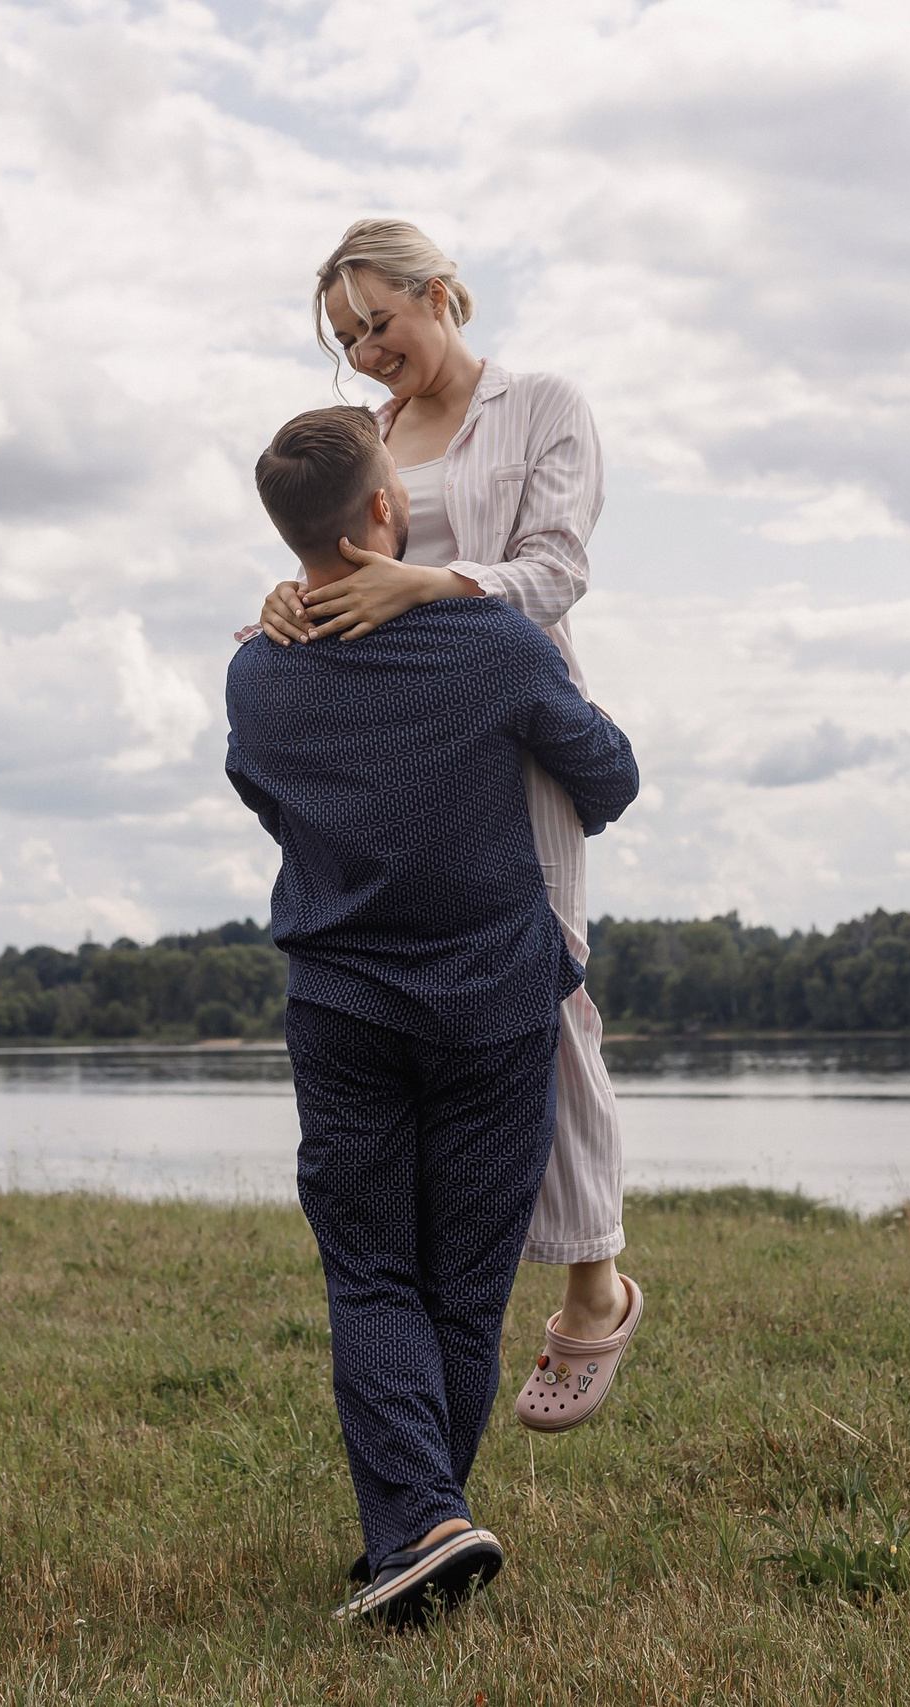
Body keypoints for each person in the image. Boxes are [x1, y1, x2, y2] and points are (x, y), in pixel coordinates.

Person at [226, 406, 640, 1624]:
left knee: (370, 1274)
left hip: (343, 1006)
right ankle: (424, 1521)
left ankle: (421, 1527)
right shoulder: (492, 646)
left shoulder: (258, 667)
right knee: (460, 1283)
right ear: (386, 511)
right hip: (492, 1003)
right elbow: (608, 774)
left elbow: (267, 796)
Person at [251, 220, 643, 1434]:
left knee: (549, 986)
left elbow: (555, 569)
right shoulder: (370, 442)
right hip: (405, 754)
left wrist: (434, 582)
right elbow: (343, 549)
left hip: (521, 731)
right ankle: (447, 1265)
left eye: (380, 322)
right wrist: (289, 592)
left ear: (439, 293)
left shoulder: (542, 407)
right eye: (346, 338)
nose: (367, 352)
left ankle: (592, 1288)